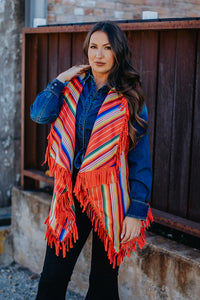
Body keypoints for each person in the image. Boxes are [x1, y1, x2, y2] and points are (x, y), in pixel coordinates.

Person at [30, 21, 153, 300]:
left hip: (111, 199)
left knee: (103, 281)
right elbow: (39, 115)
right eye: (94, 47)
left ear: (117, 53)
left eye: (107, 48)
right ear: (87, 50)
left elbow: (140, 160)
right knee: (52, 277)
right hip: (70, 196)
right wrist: (60, 80)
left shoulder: (129, 99)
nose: (99, 55)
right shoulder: (71, 88)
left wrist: (136, 211)